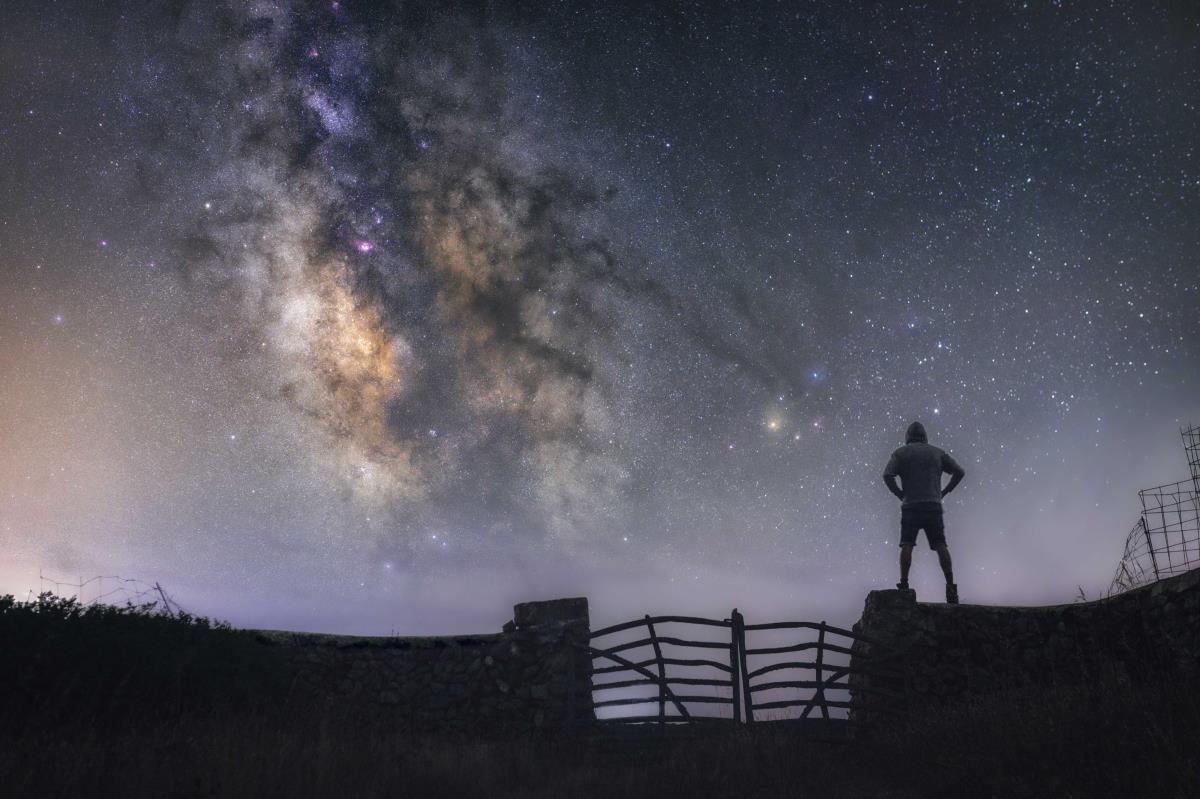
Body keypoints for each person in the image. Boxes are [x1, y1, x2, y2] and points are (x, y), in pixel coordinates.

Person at [882, 421, 966, 603]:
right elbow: (959, 472)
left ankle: (904, 585)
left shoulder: (901, 453)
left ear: (908, 437)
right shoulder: (937, 453)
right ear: (924, 436)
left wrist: (899, 494)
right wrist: (944, 492)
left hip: (910, 505)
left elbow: (887, 475)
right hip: (933, 505)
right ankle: (951, 587)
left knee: (906, 544)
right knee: (941, 545)